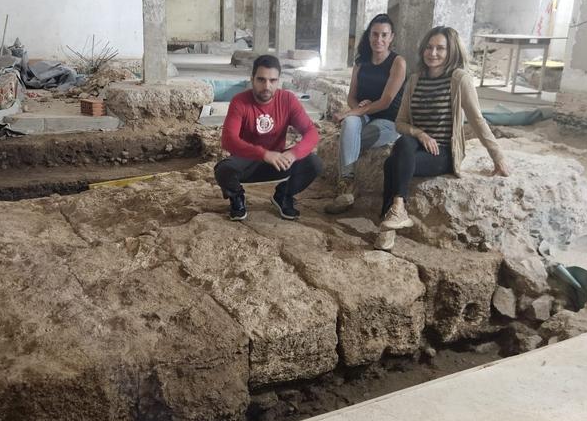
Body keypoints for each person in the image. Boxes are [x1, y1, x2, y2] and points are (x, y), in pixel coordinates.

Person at [375, 26, 510, 251]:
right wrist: (419, 133)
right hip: (415, 147)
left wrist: (497, 156)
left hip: (443, 153)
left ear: (452, 51)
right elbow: (400, 122)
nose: (433, 53)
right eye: (429, 47)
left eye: (440, 48)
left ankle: (387, 225)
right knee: (403, 143)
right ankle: (397, 209)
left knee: (392, 163)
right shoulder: (415, 80)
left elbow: (477, 120)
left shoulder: (459, 80)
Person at [214, 54, 322, 221]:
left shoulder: (287, 100)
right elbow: (228, 140)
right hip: (247, 163)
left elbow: (311, 132)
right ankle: (237, 197)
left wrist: (293, 153)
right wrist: (264, 154)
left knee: (314, 163)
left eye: (272, 80)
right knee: (223, 169)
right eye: (261, 80)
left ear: (278, 81)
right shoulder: (239, 101)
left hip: (278, 163)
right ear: (252, 79)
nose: (267, 86)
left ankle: (283, 195)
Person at [325, 13, 406, 215]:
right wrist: (358, 108)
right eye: (375, 34)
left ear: (392, 37)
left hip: (388, 121)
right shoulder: (361, 63)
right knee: (351, 123)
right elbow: (351, 98)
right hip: (366, 115)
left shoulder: (398, 63)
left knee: (350, 132)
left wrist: (360, 110)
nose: (379, 40)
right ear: (368, 36)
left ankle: (345, 184)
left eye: (384, 35)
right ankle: (347, 185)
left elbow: (386, 101)